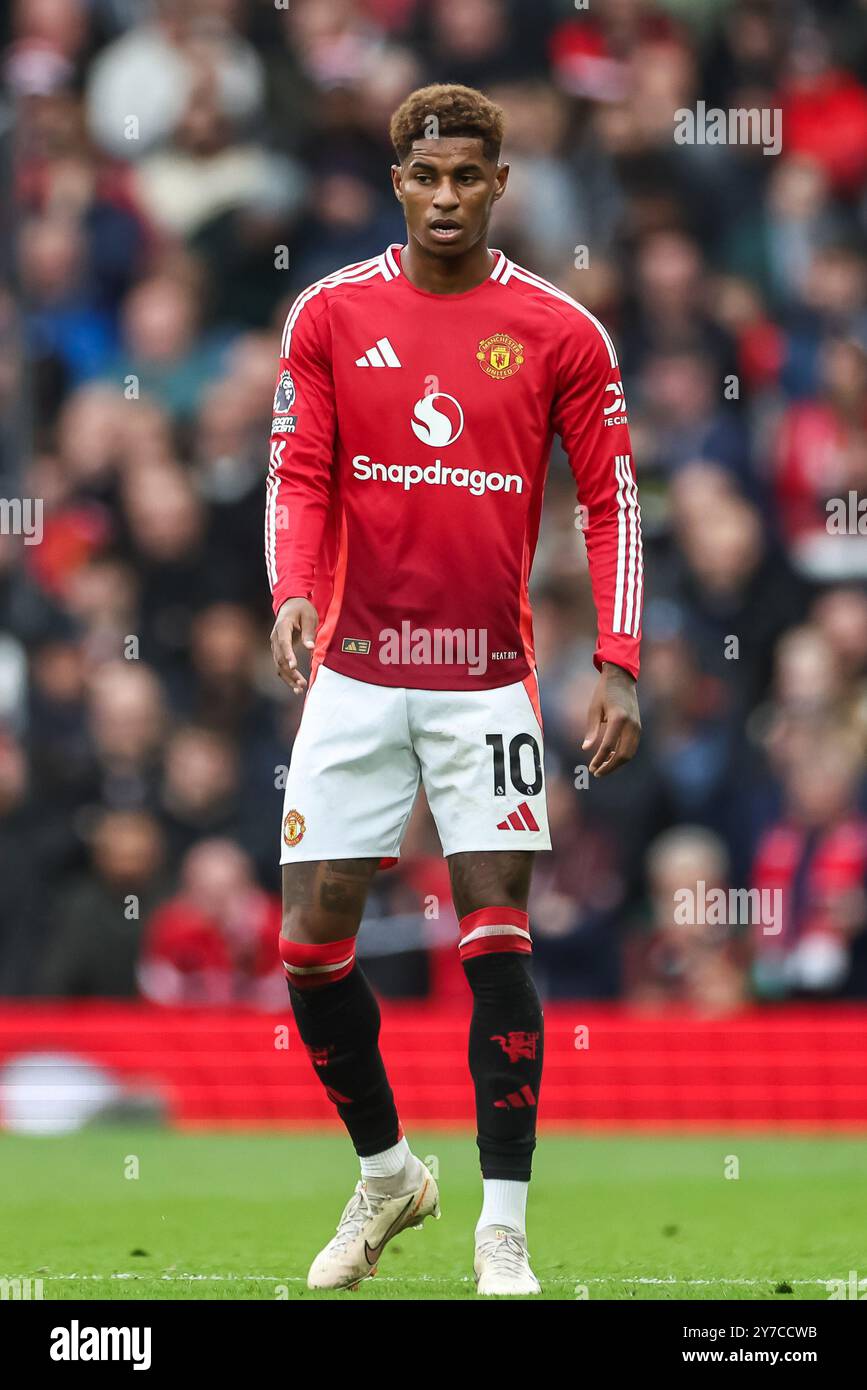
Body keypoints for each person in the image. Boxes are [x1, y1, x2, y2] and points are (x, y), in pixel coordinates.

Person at [265, 83, 643, 1295]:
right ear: (398, 181)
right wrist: (290, 587)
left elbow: (612, 503)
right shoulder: (329, 315)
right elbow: (299, 470)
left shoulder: (561, 332)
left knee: (496, 940)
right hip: (359, 672)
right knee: (311, 943)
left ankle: (504, 1231)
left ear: (498, 184)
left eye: (467, 177)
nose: (444, 197)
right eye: (425, 176)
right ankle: (388, 1176)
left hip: (487, 684)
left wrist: (620, 659)